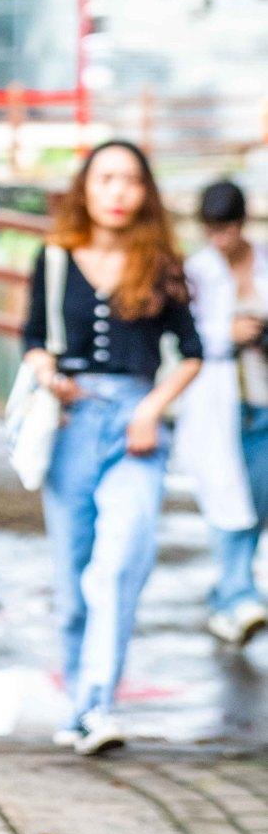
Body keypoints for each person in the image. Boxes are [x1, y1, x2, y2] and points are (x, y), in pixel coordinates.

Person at [22, 140, 202, 757]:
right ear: (86, 188)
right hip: (71, 423)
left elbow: (193, 352)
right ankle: (78, 705)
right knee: (73, 583)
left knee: (120, 562)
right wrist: (48, 375)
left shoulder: (160, 262)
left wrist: (152, 409)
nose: (118, 192)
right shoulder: (53, 258)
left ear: (145, 191)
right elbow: (33, 340)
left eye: (130, 180)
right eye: (106, 179)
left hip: (136, 425)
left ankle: (98, 704)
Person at [175, 180, 268, 646]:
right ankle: (239, 597)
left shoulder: (266, 261)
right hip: (220, 404)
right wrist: (226, 333)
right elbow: (185, 340)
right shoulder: (197, 272)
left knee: (257, 506)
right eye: (211, 230)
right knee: (227, 503)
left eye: (226, 229)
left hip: (262, 399)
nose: (219, 240)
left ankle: (229, 594)